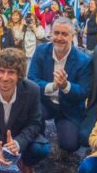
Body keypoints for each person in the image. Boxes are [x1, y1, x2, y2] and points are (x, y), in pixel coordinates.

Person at [28, 17, 92, 153]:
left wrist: (65, 86)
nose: (59, 37)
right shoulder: (40, 50)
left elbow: (84, 91)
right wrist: (53, 86)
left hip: (69, 107)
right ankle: (38, 133)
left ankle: (62, 125)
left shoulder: (84, 60)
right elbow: (31, 80)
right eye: (56, 33)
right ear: (51, 34)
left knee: (70, 145)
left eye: (64, 34)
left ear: (72, 36)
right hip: (45, 102)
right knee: (30, 116)